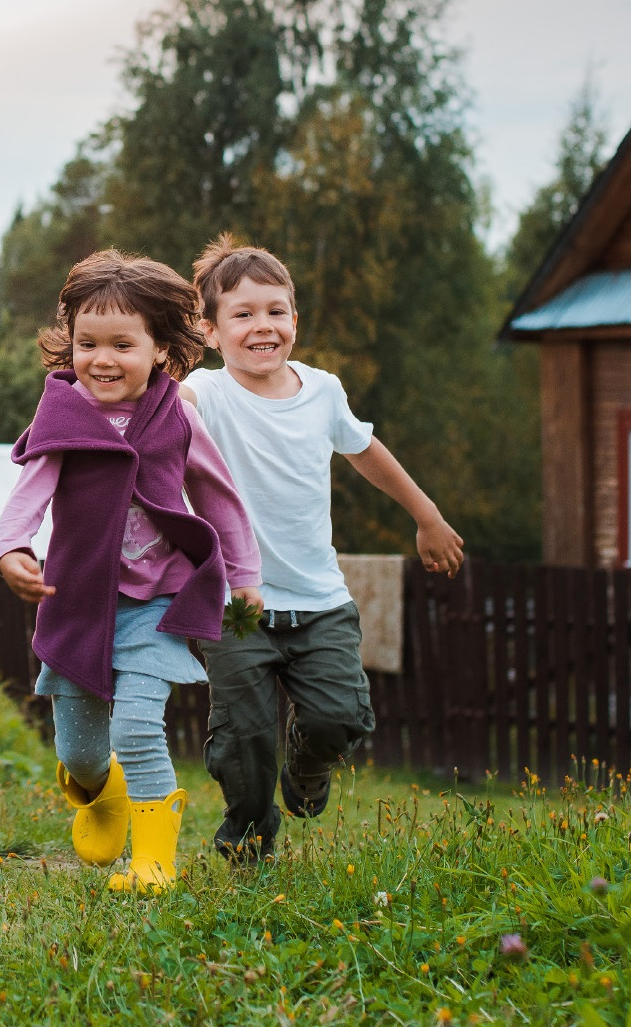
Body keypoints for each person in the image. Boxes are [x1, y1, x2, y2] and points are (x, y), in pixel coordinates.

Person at [183, 234, 464, 863]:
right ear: (209, 331)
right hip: (236, 603)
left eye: (276, 310)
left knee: (340, 716)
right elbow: (172, 407)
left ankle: (309, 765)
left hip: (319, 599)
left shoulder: (322, 391)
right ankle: (249, 843)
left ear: (294, 318)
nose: (263, 326)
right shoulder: (207, 396)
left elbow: (367, 453)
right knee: (245, 739)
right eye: (242, 314)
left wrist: (427, 516)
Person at [0, 250, 262, 892]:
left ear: (161, 349)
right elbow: (30, 492)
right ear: (70, 346)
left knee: (140, 725)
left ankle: (153, 863)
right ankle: (102, 793)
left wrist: (243, 573)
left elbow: (217, 495)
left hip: (158, 603)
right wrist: (11, 551)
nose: (102, 359)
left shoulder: (177, 416)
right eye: (87, 344)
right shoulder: (64, 416)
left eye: (122, 344)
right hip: (80, 601)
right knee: (80, 755)